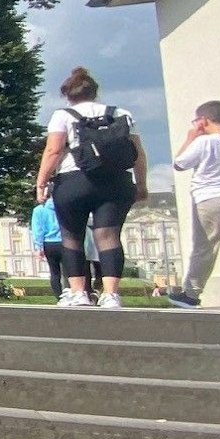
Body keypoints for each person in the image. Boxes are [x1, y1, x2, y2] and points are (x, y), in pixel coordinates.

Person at [34, 67, 148, 308]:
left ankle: (78, 293)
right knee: (108, 237)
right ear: (95, 93)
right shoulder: (121, 114)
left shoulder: (62, 115)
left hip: (74, 180)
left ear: (68, 95)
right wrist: (141, 183)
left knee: (72, 236)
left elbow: (53, 151)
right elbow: (137, 153)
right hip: (116, 182)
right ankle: (111, 294)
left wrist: (41, 181)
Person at [165, 100, 220, 311]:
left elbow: (180, 164)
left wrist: (190, 138)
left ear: (203, 120)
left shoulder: (204, 142)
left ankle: (191, 294)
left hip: (209, 197)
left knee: (205, 247)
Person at [29, 195, 64, 300]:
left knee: (54, 273)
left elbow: (37, 230)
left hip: (48, 243)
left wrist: (38, 247)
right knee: (71, 271)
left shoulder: (38, 210)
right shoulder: (64, 207)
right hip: (66, 241)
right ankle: (73, 293)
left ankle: (59, 297)